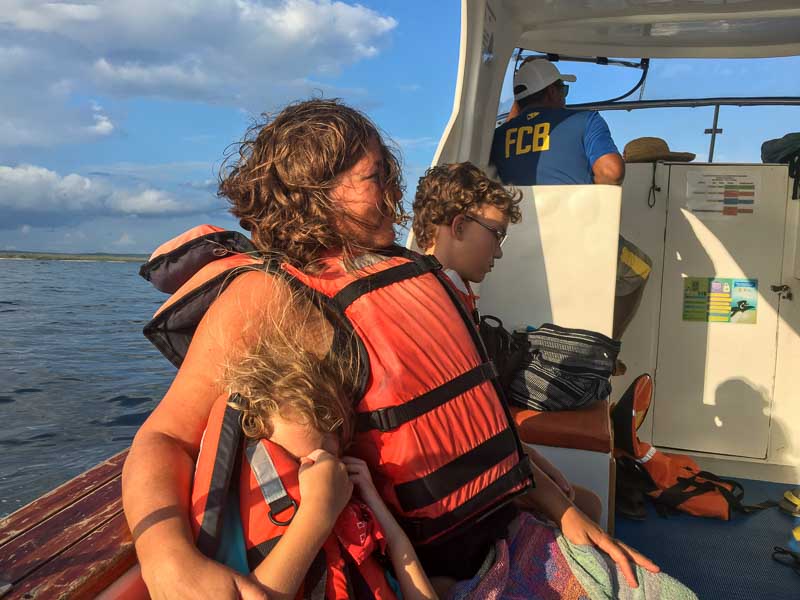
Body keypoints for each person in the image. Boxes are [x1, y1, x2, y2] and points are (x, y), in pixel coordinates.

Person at [123, 99, 657, 599]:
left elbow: (478, 424)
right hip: (433, 570)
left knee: (595, 516)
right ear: (315, 192)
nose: (394, 195)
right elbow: (166, 436)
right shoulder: (267, 293)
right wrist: (165, 556)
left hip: (501, 527)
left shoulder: (405, 270)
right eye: (375, 178)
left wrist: (559, 507)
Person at [192, 305, 440, 599]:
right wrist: (317, 513)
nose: (324, 469)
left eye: (330, 456)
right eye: (302, 463)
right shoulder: (237, 519)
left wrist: (375, 504)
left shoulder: (348, 493)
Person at [411, 162, 602, 525]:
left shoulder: (451, 294)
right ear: (460, 226)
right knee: (587, 507)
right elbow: (461, 436)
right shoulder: (433, 308)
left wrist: (534, 462)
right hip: (454, 493)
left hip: (474, 470)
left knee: (585, 502)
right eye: (496, 234)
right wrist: (545, 494)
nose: (498, 252)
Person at [490, 58, 625, 186]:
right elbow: (611, 172)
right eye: (563, 90)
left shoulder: (496, 138)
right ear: (552, 92)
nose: (564, 98)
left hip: (517, 211)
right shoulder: (586, 121)